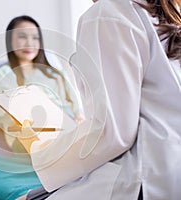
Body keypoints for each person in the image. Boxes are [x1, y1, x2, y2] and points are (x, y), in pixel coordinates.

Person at [18, 0, 181, 199]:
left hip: (142, 176)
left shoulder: (108, 12)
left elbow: (111, 133)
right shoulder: (166, 14)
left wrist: (44, 153)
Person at [0, 15, 83, 152]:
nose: (29, 43)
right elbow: (5, 118)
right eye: (22, 37)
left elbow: (77, 113)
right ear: (10, 41)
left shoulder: (55, 75)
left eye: (35, 38)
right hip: (29, 138)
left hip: (68, 133)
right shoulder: (4, 74)